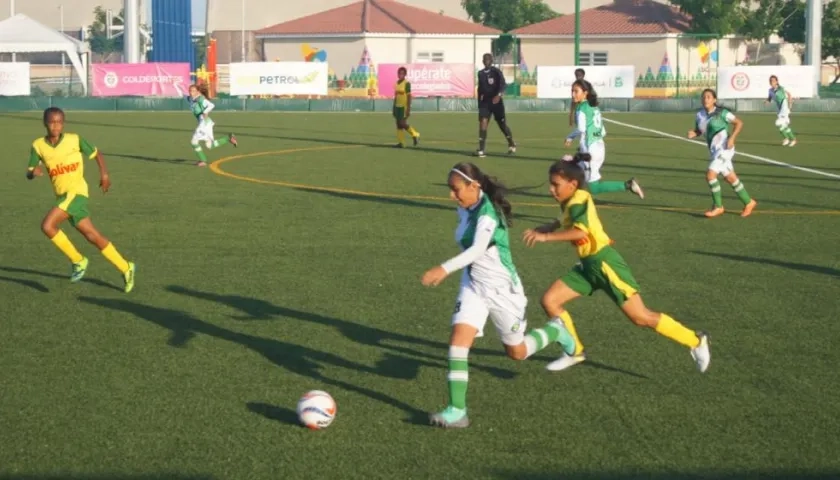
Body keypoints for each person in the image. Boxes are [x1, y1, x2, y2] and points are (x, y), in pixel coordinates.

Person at [421, 162, 577, 428]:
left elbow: (478, 249)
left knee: (517, 352)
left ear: (474, 186)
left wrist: (443, 268)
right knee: (458, 341)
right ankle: (457, 410)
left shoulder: (488, 215)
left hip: (503, 291)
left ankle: (557, 330)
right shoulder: (465, 207)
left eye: (455, 189)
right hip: (473, 285)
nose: (451, 195)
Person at [522, 160, 711, 373]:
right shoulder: (570, 201)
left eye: (555, 184)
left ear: (572, 184)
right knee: (550, 301)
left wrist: (546, 237)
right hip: (587, 266)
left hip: (604, 263)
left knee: (640, 317)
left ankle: (695, 340)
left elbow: (581, 232)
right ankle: (574, 351)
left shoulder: (578, 200)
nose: (551, 189)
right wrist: (549, 226)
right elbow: (565, 219)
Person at [26, 107, 136, 292]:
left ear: (64, 123)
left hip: (76, 192)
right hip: (62, 195)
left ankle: (78, 260)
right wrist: (33, 172)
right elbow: (29, 171)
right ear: (45, 123)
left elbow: (96, 153)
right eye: (52, 122)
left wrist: (105, 174)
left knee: (48, 226)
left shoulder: (74, 139)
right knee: (92, 235)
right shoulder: (38, 145)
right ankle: (126, 267)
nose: (56, 126)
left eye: (59, 122)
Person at [565, 80, 644, 198]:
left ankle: (628, 185)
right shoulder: (593, 107)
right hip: (598, 147)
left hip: (591, 151)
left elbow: (581, 129)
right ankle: (568, 201)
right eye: (572, 91)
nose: (573, 94)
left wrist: (570, 137)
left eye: (576, 91)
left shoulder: (581, 109)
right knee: (574, 170)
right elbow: (602, 131)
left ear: (585, 93)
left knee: (594, 187)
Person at [688, 88, 757, 218]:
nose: (705, 99)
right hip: (714, 151)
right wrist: (694, 133)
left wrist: (732, 138)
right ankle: (749, 202)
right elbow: (700, 130)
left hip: (725, 149)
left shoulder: (722, 113)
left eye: (709, 97)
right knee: (730, 177)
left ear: (714, 100)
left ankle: (718, 206)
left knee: (710, 175)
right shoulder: (699, 115)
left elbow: (739, 123)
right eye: (704, 97)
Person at [187, 83, 237, 167]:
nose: (191, 92)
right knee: (209, 145)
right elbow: (184, 95)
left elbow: (211, 105)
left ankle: (203, 161)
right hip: (206, 123)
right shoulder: (190, 99)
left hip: (204, 122)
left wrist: (205, 112)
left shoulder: (200, 99)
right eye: (190, 91)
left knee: (194, 141)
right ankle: (228, 138)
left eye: (193, 91)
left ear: (197, 92)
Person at [476, 53, 516, 157]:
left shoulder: (496, 72)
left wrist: (498, 95)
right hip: (485, 102)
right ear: (483, 61)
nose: (486, 61)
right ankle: (481, 149)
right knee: (483, 122)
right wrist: (479, 102)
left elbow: (503, 84)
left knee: (502, 124)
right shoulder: (480, 73)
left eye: (488, 59)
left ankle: (511, 143)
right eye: (485, 59)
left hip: (496, 102)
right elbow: (480, 88)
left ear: (491, 61)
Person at [393, 66, 420, 148]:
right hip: (397, 106)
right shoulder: (396, 83)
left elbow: (409, 96)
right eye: (399, 73)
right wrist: (394, 106)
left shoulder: (407, 83)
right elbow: (396, 96)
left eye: (402, 73)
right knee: (398, 124)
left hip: (403, 107)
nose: (400, 75)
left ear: (405, 75)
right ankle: (401, 143)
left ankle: (415, 134)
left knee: (402, 123)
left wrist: (408, 108)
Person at [766, 75, 796, 147]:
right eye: (770, 81)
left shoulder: (781, 88)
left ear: (776, 81)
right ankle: (793, 139)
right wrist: (767, 101)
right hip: (779, 109)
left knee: (778, 123)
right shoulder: (770, 90)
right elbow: (770, 98)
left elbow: (789, 94)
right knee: (784, 125)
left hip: (784, 108)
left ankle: (786, 138)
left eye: (773, 81)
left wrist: (790, 105)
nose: (772, 82)